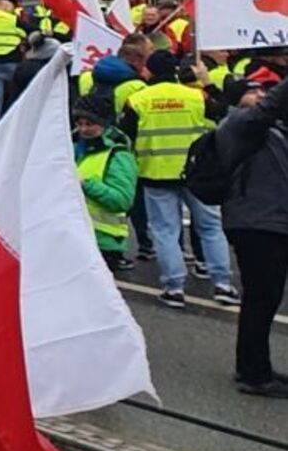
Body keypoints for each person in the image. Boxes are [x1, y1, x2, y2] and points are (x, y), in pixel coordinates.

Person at [123, 50, 238, 308]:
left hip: (156, 172)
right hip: (196, 172)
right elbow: (225, 113)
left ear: (148, 71)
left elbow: (127, 135)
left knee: (165, 231)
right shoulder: (196, 96)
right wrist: (206, 81)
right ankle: (222, 284)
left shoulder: (137, 100)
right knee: (210, 227)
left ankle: (174, 287)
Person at [218, 74, 288, 395]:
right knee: (260, 298)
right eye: (253, 91)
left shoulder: (269, 129)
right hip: (256, 223)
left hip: (269, 221)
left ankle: (255, 365)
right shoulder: (239, 123)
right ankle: (254, 374)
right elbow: (271, 105)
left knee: (265, 298)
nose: (261, 94)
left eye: (262, 90)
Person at [72, 94, 138, 274]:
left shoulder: (118, 155)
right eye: (79, 123)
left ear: (105, 124)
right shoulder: (71, 147)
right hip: (74, 237)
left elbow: (122, 200)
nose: (83, 129)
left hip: (104, 242)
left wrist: (85, 184)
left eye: (90, 124)